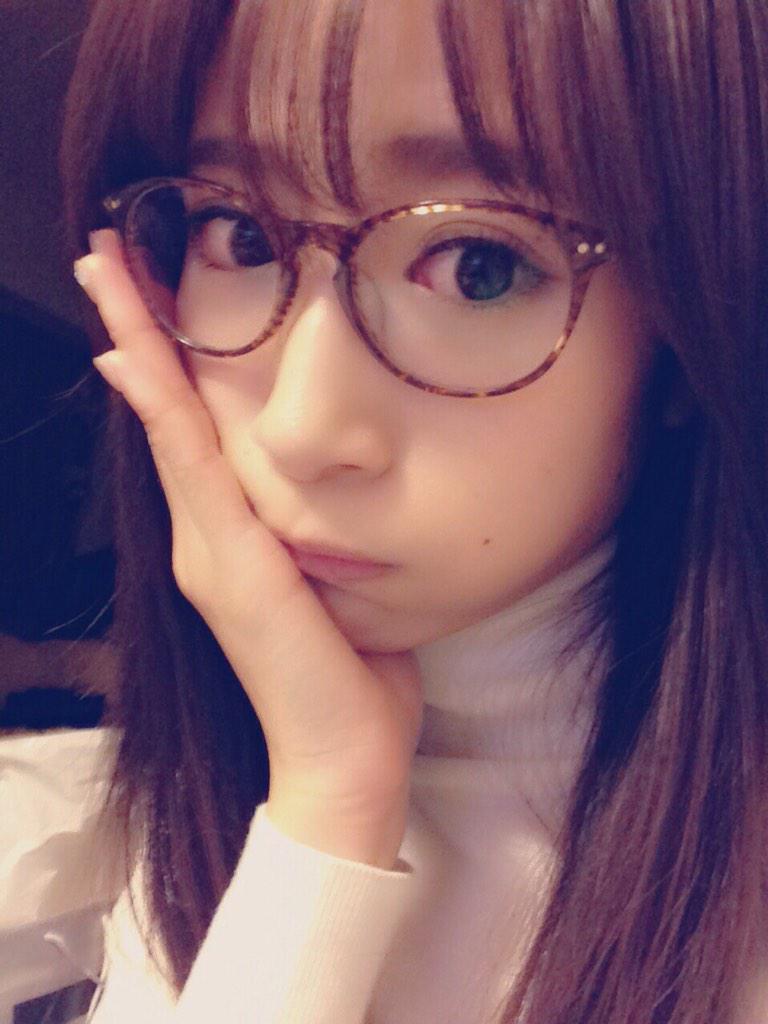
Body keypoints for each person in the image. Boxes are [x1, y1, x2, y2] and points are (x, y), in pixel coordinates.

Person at [59, 1, 767, 1021]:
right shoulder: (216, 766)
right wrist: (326, 808)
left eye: (479, 265)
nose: (300, 428)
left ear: (690, 322)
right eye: (241, 234)